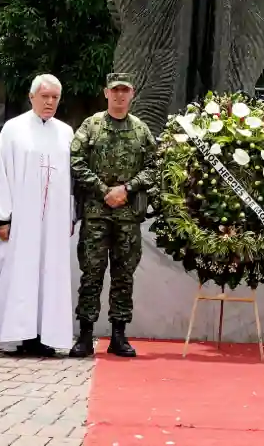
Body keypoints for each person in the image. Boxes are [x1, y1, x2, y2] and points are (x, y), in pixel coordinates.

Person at [68, 73, 159, 359]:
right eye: (115, 91)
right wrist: (103, 189)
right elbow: (75, 160)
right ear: (106, 93)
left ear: (132, 94)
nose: (120, 96)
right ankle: (85, 336)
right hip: (96, 214)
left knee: (124, 276)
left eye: (125, 91)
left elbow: (154, 166)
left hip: (127, 215)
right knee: (91, 274)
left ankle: (119, 335)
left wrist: (127, 189)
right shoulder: (91, 126)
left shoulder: (141, 130)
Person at [0, 74, 75, 356]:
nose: (49, 102)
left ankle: (45, 336)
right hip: (21, 220)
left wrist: (69, 216)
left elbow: (72, 181)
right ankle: (17, 335)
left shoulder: (66, 132)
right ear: (31, 96)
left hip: (54, 221)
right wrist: (2, 217)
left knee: (50, 274)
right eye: (44, 96)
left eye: (54, 97)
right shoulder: (14, 129)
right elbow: (0, 174)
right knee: (19, 273)